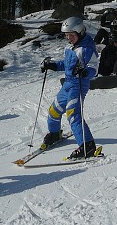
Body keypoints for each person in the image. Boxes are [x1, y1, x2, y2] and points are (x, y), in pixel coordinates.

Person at [40, 16, 99, 159]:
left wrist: (85, 72)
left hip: (79, 85)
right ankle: (54, 134)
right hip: (67, 83)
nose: (68, 38)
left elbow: (94, 68)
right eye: (67, 35)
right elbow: (66, 64)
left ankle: (87, 146)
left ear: (80, 32)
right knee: (54, 110)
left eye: (71, 35)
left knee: (73, 113)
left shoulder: (87, 48)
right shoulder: (69, 47)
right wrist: (53, 65)